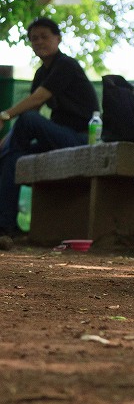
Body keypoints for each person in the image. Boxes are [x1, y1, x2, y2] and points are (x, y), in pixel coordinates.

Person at [0, 17, 99, 247]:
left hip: (80, 138)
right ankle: (7, 228)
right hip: (58, 137)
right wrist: (4, 143)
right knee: (12, 158)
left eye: (44, 36)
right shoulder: (41, 73)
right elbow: (32, 108)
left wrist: (4, 115)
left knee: (28, 120)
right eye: (34, 39)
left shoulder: (66, 65)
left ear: (58, 38)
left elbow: (37, 100)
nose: (39, 42)